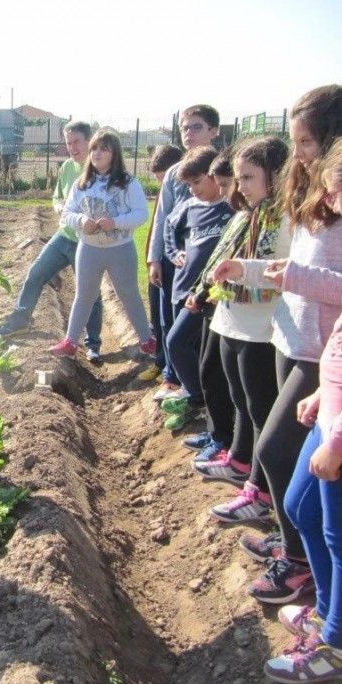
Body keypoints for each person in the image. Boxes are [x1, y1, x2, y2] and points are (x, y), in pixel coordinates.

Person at [211, 84, 342, 603]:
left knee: (274, 449)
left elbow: (323, 279)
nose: (300, 155)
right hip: (291, 338)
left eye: (307, 142)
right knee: (279, 451)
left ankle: (299, 562)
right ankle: (295, 543)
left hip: (322, 355)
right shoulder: (316, 194)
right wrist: (246, 269)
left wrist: (293, 276)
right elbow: (296, 272)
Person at [264, 140, 342, 683]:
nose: (330, 191)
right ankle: (329, 612)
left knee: (339, 532)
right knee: (299, 506)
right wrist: (322, 390)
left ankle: (334, 648)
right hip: (332, 404)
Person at [192, 137, 290, 525]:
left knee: (262, 409)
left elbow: (283, 275)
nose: (241, 186)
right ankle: (240, 461)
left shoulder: (285, 220)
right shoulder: (249, 215)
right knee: (242, 401)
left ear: (276, 175)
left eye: (249, 177)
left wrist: (242, 278)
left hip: (261, 328)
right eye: (239, 177)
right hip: (233, 320)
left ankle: (259, 490)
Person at [0, 122, 103, 362]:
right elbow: (58, 195)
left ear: (89, 140)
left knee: (91, 293)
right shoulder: (66, 167)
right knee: (36, 274)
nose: (72, 147)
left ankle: (93, 343)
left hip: (88, 243)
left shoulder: (99, 170)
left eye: (76, 141)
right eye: (68, 143)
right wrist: (57, 205)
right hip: (64, 236)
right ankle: (20, 320)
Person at [49, 128, 154, 359]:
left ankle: (147, 340)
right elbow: (67, 213)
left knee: (128, 294)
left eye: (103, 149)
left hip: (120, 250)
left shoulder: (128, 183)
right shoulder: (82, 183)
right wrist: (81, 220)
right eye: (94, 148)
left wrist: (115, 222)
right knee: (84, 295)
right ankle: (70, 342)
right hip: (89, 249)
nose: (96, 153)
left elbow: (141, 214)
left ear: (114, 154)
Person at [147, 105, 221, 403]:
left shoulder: (223, 169)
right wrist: (155, 257)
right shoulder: (175, 172)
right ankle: (173, 378)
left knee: (197, 328)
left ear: (213, 131)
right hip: (174, 257)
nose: (188, 134)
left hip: (207, 262)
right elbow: (163, 217)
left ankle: (198, 390)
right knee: (168, 319)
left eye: (196, 127)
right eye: (184, 128)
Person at [159, 146, 235, 431]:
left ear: (215, 177)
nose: (193, 190)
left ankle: (197, 397)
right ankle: (197, 397)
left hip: (210, 296)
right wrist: (173, 251)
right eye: (189, 184)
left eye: (198, 182)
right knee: (182, 344)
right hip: (184, 289)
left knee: (179, 342)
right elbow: (169, 226)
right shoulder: (190, 207)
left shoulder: (230, 210)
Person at [182, 148, 237, 454]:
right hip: (212, 303)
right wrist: (200, 291)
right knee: (209, 370)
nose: (229, 191)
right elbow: (215, 262)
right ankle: (216, 432)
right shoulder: (239, 217)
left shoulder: (241, 217)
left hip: (229, 309)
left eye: (228, 184)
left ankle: (226, 443)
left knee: (226, 380)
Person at [138, 144, 184, 384]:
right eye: (158, 179)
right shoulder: (164, 193)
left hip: (176, 260)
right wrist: (152, 258)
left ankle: (172, 369)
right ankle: (161, 361)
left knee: (172, 319)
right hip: (159, 261)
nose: (162, 183)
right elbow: (157, 226)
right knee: (158, 316)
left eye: (164, 178)